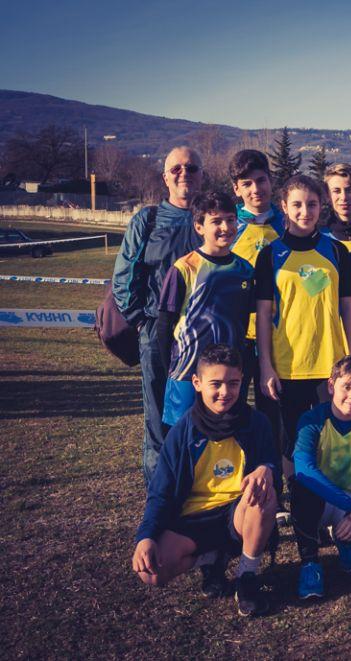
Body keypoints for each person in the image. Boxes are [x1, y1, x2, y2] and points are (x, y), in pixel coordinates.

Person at [132, 344, 278, 617]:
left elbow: (273, 466)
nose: (225, 392)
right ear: (197, 384)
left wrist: (266, 469)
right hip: (194, 519)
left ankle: (246, 576)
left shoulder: (257, 423)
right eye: (216, 383)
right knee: (151, 573)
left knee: (265, 493)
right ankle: (211, 558)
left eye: (233, 383)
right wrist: (146, 536)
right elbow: (160, 492)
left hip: (239, 514)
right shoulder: (181, 432)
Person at [254, 175, 351, 495]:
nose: (305, 211)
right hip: (288, 365)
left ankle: (331, 499)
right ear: (284, 207)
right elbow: (262, 315)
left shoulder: (336, 252)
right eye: (298, 204)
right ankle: (297, 497)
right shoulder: (270, 255)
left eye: (312, 204)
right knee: (291, 440)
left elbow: (347, 307)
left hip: (332, 365)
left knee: (330, 437)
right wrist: (266, 367)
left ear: (321, 206)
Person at [112, 146, 203, 484]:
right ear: (165, 177)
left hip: (201, 338)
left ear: (201, 175)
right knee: (158, 420)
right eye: (176, 168)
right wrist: (142, 322)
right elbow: (124, 277)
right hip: (157, 335)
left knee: (201, 417)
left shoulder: (212, 221)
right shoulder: (147, 220)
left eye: (192, 168)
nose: (184, 173)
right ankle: (160, 495)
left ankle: (196, 493)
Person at [157, 192, 254, 430]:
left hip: (227, 376)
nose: (226, 227)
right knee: (184, 436)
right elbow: (163, 324)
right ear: (199, 227)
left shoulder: (244, 270)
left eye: (231, 220)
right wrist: (169, 367)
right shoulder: (184, 268)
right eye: (216, 221)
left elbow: (244, 321)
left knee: (226, 438)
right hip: (186, 371)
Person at [292, 354, 351, 600]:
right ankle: (310, 563)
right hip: (322, 500)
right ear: (331, 385)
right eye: (347, 386)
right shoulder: (312, 420)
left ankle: (346, 541)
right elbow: (303, 468)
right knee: (302, 487)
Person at [228, 149, 285, 417]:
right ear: (236, 189)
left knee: (274, 413)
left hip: (277, 337)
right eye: (247, 184)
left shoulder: (289, 226)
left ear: (270, 180)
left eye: (261, 180)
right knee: (231, 409)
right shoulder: (227, 228)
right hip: (235, 337)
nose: (256, 189)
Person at [321, 163, 351, 250]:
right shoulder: (320, 238)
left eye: (349, 190)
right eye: (336, 191)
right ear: (327, 195)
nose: (344, 197)